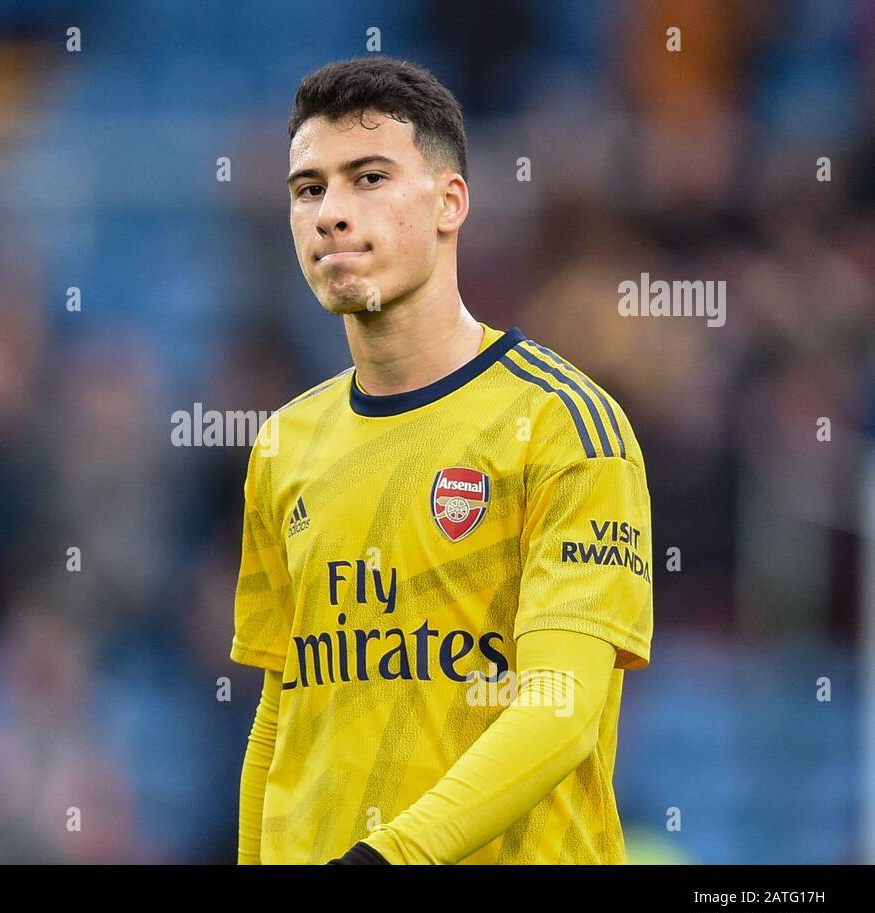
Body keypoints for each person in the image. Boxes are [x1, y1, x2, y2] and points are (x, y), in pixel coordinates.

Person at [233, 56, 653, 864]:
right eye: (309, 188)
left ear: (450, 202)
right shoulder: (283, 442)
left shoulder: (565, 425)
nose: (330, 214)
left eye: (369, 178)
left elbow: (559, 709)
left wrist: (395, 855)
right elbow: (279, 717)